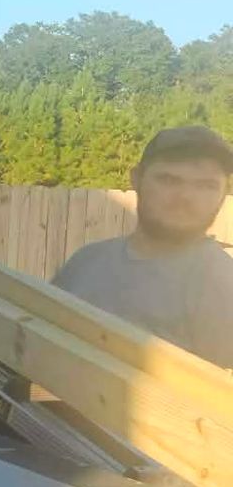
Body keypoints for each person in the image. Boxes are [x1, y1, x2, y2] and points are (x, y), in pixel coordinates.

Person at [52, 125, 233, 368]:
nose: (186, 197)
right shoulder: (85, 261)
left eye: (206, 186)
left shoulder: (223, 284)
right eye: (169, 180)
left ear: (224, 192)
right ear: (136, 178)